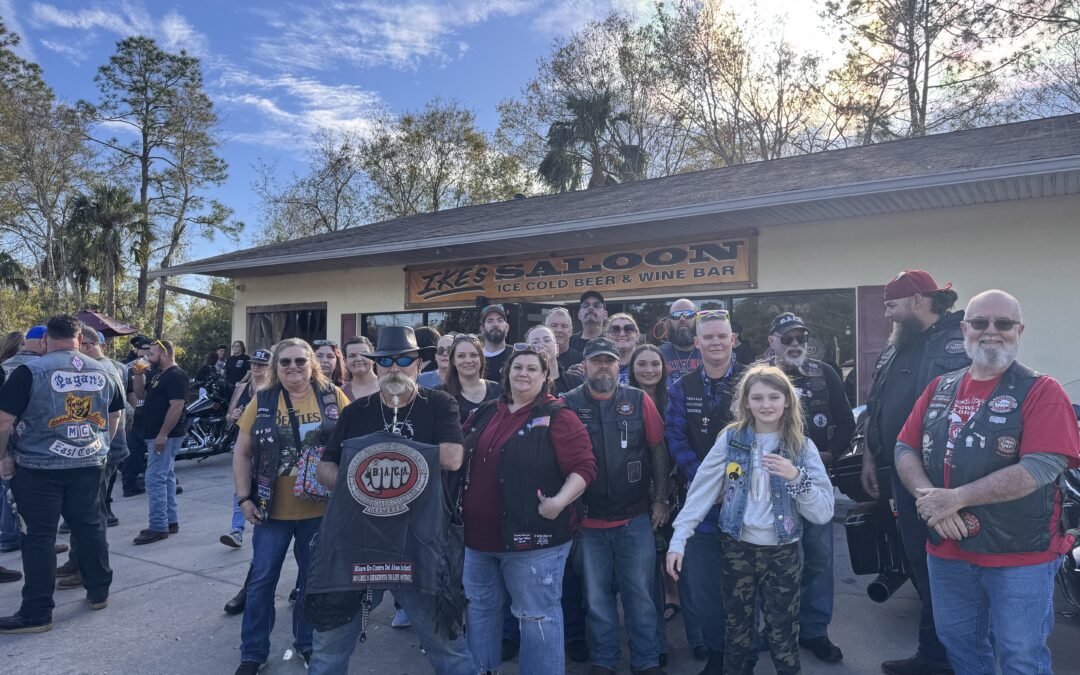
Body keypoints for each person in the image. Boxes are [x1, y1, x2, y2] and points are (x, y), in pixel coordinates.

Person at [894, 290, 1080, 675]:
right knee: (959, 645)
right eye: (980, 323)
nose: (991, 332)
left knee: (1021, 656)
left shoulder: (1042, 391)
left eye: (1003, 323)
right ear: (965, 329)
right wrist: (931, 500)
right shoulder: (940, 388)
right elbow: (904, 447)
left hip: (1019, 556)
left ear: (1019, 330)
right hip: (948, 551)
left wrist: (955, 498)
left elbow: (1042, 466)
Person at [307, 326, 474, 675]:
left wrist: (389, 457)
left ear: (417, 364)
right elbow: (325, 467)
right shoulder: (356, 412)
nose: (394, 368)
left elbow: (454, 456)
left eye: (403, 360)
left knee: (447, 646)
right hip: (357, 541)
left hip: (419, 541)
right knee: (328, 648)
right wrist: (359, 481)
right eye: (385, 361)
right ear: (375, 366)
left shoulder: (440, 403)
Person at [667, 365, 835, 675]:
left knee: (783, 632)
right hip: (738, 549)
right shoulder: (731, 440)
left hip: (783, 552)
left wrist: (796, 477)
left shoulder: (801, 447)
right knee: (737, 632)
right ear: (745, 401)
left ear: (787, 400)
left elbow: (823, 511)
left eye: (774, 396)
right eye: (757, 397)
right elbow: (702, 491)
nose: (766, 404)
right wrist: (679, 539)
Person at [461, 346, 596, 675]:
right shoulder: (486, 413)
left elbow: (585, 467)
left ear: (545, 376)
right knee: (480, 612)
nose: (523, 373)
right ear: (506, 373)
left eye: (532, 368)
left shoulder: (559, 416)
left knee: (536, 618)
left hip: (536, 540)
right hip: (478, 540)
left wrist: (559, 502)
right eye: (517, 367)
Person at [860, 270, 969, 675]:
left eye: (892, 304)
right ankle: (933, 655)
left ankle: (962, 657)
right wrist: (872, 459)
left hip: (945, 480)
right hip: (900, 476)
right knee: (921, 564)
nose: (887, 313)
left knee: (951, 568)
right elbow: (877, 406)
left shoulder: (962, 340)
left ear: (919, 301)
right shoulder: (895, 346)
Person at [230, 339, 348, 674]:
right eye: (285, 363)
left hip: (320, 512)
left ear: (312, 363)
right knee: (262, 582)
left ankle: (307, 643)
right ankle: (252, 652)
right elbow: (241, 452)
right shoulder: (263, 400)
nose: (293, 368)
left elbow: (352, 444)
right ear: (275, 367)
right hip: (272, 512)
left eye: (300, 361)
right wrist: (243, 498)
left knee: (312, 583)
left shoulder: (332, 397)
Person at [0, 314, 123, 633]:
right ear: (80, 340)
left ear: (45, 340)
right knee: (91, 527)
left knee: (38, 537)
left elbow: (3, 421)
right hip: (88, 463)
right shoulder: (104, 369)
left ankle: (37, 611)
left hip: (39, 467)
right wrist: (102, 447)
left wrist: (2, 457)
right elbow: (115, 413)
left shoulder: (29, 370)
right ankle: (99, 593)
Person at [563, 337, 671, 675]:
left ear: (618, 365)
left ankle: (647, 661)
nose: (604, 367)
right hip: (589, 522)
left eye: (609, 361)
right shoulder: (566, 404)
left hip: (634, 517)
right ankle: (605, 661)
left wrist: (661, 499)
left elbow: (658, 451)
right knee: (596, 600)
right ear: (584, 366)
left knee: (640, 595)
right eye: (597, 361)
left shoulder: (638, 400)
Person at [761, 312, 854, 663]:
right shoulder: (758, 376)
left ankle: (815, 630)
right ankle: (771, 629)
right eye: (787, 338)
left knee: (819, 558)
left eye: (801, 337)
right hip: (767, 484)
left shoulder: (825, 372)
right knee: (769, 560)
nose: (796, 344)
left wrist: (829, 455)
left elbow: (846, 421)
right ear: (772, 341)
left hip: (814, 482)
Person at [664, 309, 747, 669]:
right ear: (697, 343)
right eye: (708, 337)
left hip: (747, 501)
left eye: (721, 336)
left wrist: (729, 481)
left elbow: (761, 438)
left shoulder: (755, 382)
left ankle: (745, 653)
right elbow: (676, 438)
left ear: (734, 340)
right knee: (702, 587)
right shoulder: (681, 387)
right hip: (700, 503)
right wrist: (707, 482)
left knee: (746, 584)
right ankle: (716, 652)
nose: (715, 342)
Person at [55, 328, 132, 590]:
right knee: (84, 514)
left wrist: (105, 446)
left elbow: (117, 413)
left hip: (100, 452)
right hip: (104, 449)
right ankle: (77, 562)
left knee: (90, 516)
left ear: (86, 345)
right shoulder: (111, 366)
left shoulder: (100, 369)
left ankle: (87, 569)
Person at [628, 343, 678, 665]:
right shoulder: (624, 400)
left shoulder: (674, 397)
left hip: (672, 486)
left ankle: (674, 603)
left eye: (654, 364)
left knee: (672, 553)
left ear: (664, 368)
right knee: (646, 565)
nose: (648, 370)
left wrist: (665, 490)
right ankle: (646, 630)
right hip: (634, 493)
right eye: (642, 364)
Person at [131, 339, 187, 545]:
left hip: (165, 436)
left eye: (151, 354)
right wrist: (138, 375)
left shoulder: (176, 375)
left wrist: (162, 434)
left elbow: (177, 406)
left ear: (164, 355)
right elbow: (139, 396)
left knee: (154, 479)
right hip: (155, 434)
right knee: (167, 477)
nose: (147, 358)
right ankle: (170, 522)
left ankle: (158, 526)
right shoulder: (157, 374)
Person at [221, 349, 273, 549]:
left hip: (265, 446)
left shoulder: (272, 390)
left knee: (264, 487)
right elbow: (228, 418)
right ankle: (237, 530)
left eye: (261, 364)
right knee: (240, 488)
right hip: (242, 445)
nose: (256, 368)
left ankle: (264, 526)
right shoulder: (241, 388)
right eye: (254, 364)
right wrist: (232, 415)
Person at [438, 333, 502, 423]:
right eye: (461, 356)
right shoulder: (440, 393)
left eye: (473, 355)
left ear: (481, 358)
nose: (468, 360)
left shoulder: (498, 391)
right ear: (453, 360)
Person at [120, 336, 153, 497]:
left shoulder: (146, 363)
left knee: (139, 450)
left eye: (149, 348)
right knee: (134, 450)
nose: (147, 351)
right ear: (135, 349)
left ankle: (134, 481)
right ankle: (130, 484)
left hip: (144, 411)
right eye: (144, 348)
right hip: (134, 412)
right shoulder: (133, 364)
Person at [526, 325, 584, 396]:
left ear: (557, 349)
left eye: (547, 340)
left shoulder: (576, 384)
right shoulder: (523, 384)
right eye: (535, 342)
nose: (541, 344)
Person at [659, 299, 701, 385]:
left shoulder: (710, 352)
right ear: (669, 322)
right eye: (676, 315)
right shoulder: (657, 354)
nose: (682, 319)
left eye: (688, 314)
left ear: (698, 319)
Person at [605, 312, 641, 385]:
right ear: (607, 336)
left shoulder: (646, 365)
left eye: (628, 329)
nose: (622, 334)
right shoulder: (599, 367)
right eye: (615, 330)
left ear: (636, 335)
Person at [341, 336, 379, 402]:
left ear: (373, 358)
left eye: (364, 354)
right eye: (352, 356)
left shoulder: (387, 386)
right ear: (345, 361)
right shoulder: (341, 392)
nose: (359, 359)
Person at [480, 304, 511, 380]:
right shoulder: (474, 356)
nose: (495, 324)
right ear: (482, 329)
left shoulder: (515, 354)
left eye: (500, 320)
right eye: (490, 321)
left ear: (506, 328)